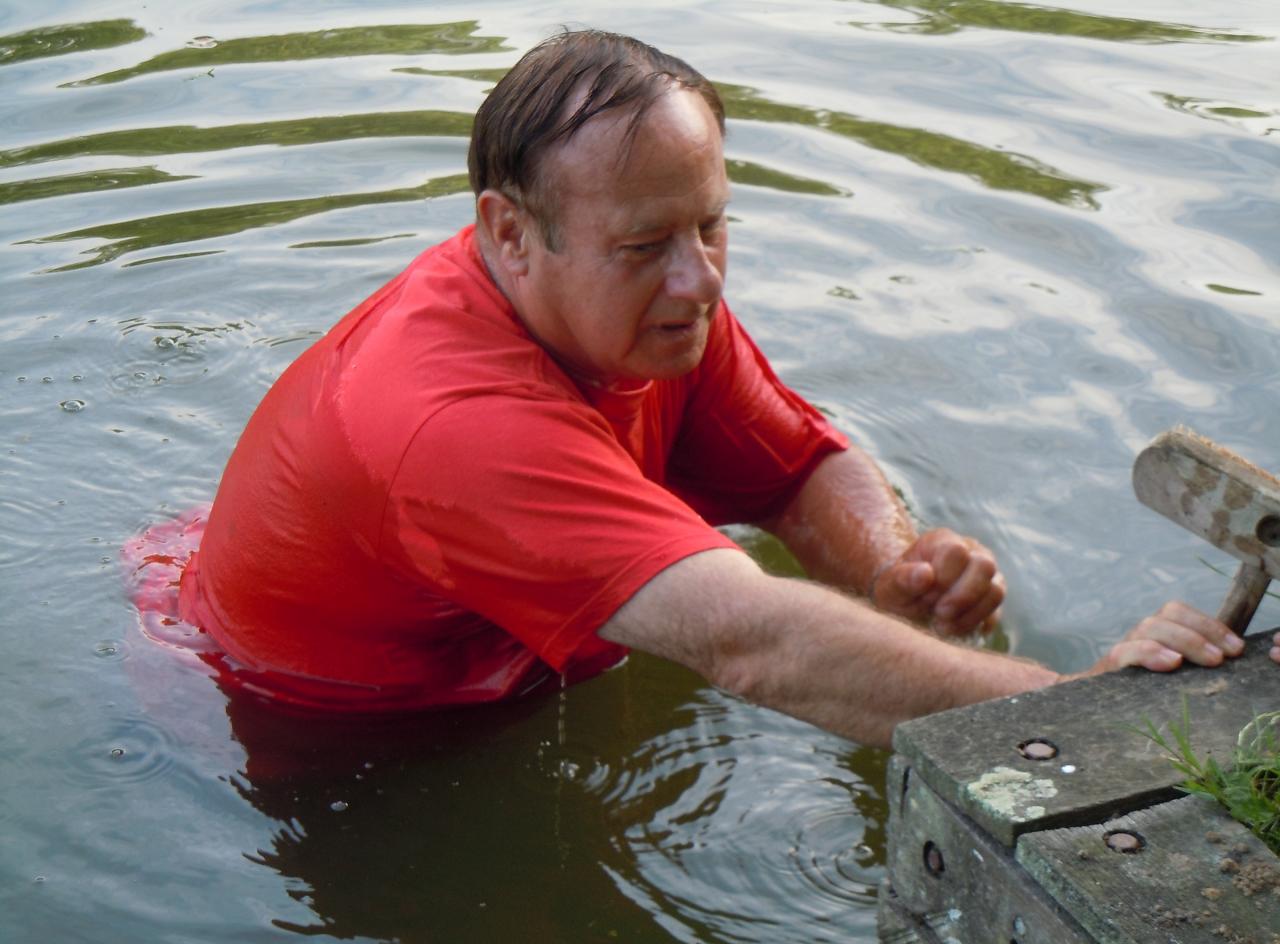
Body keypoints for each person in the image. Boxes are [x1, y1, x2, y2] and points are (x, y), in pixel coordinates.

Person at [138, 29, 1269, 750]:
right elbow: (750, 643)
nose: (702, 282)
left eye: (712, 225)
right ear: (509, 234)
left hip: (462, 643)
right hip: (315, 725)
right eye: (645, 246)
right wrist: (1076, 713)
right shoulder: (453, 427)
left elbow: (795, 466)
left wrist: (888, 572)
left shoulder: (653, 313)